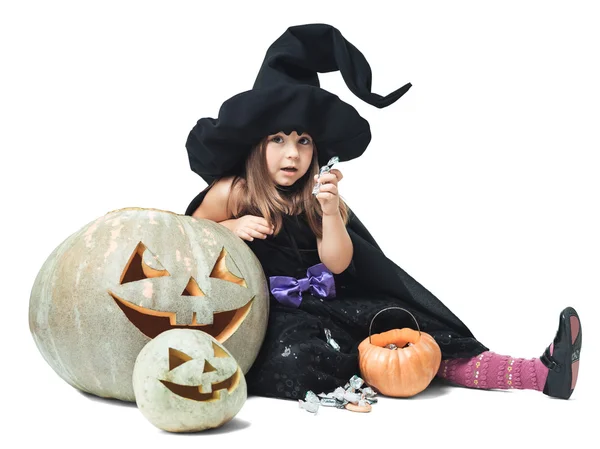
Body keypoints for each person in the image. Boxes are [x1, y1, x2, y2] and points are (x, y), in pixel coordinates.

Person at [184, 24, 582, 401]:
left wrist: (331, 215)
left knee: (410, 326)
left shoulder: (321, 197)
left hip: (329, 304)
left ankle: (538, 374)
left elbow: (337, 264)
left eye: (304, 140)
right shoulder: (235, 191)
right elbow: (186, 235)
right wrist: (231, 227)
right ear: (257, 144)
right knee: (300, 358)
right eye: (279, 139)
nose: (293, 153)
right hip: (271, 314)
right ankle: (367, 366)